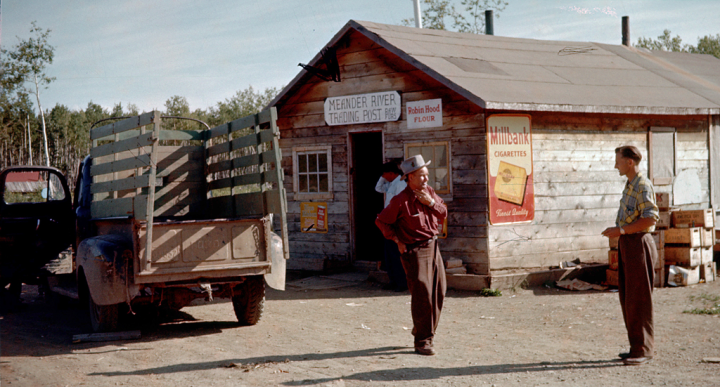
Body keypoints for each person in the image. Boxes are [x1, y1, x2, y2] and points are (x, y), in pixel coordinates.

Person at [375, 155, 447, 356]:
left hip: (434, 247)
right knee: (423, 295)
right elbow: (381, 222)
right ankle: (423, 340)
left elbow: (443, 213)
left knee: (440, 290)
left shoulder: (429, 193)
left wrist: (431, 202)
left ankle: (423, 329)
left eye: (427, 175)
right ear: (409, 177)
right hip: (415, 252)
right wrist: (397, 241)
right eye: (421, 176)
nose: (426, 179)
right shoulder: (400, 200)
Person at [601, 145, 659, 366]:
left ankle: (643, 350)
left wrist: (621, 231)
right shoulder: (630, 184)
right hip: (628, 244)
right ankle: (636, 347)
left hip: (638, 244)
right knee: (628, 298)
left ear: (630, 162)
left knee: (640, 299)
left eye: (618, 160)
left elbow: (650, 219)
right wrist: (620, 233)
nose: (615, 164)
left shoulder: (643, 185)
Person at [375, 161, 408, 291]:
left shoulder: (400, 184)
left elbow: (399, 206)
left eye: (385, 174)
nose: (384, 177)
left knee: (396, 254)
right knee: (389, 254)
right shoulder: (391, 184)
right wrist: (382, 177)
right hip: (388, 222)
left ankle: (401, 283)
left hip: (396, 222)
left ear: (391, 173)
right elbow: (378, 188)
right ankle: (393, 281)